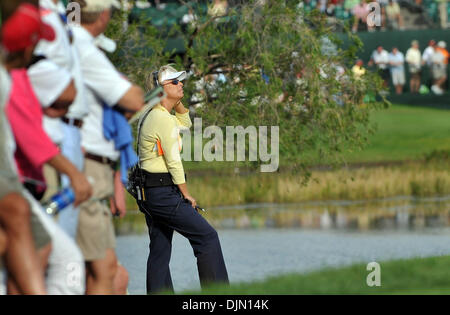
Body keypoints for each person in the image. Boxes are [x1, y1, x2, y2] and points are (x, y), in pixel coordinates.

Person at [70, 0, 144, 295]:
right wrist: (124, 87)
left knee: (112, 271)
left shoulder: (69, 43)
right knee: (106, 271)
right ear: (103, 15)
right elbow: (134, 99)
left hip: (94, 165)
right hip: (87, 167)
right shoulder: (84, 48)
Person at [139, 65, 229, 294]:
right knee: (207, 237)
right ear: (162, 89)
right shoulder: (162, 119)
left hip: (152, 192)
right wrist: (186, 193)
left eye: (181, 81)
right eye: (176, 82)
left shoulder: (158, 115)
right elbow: (173, 162)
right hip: (162, 192)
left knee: (160, 250)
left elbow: (186, 125)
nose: (182, 85)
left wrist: (175, 99)